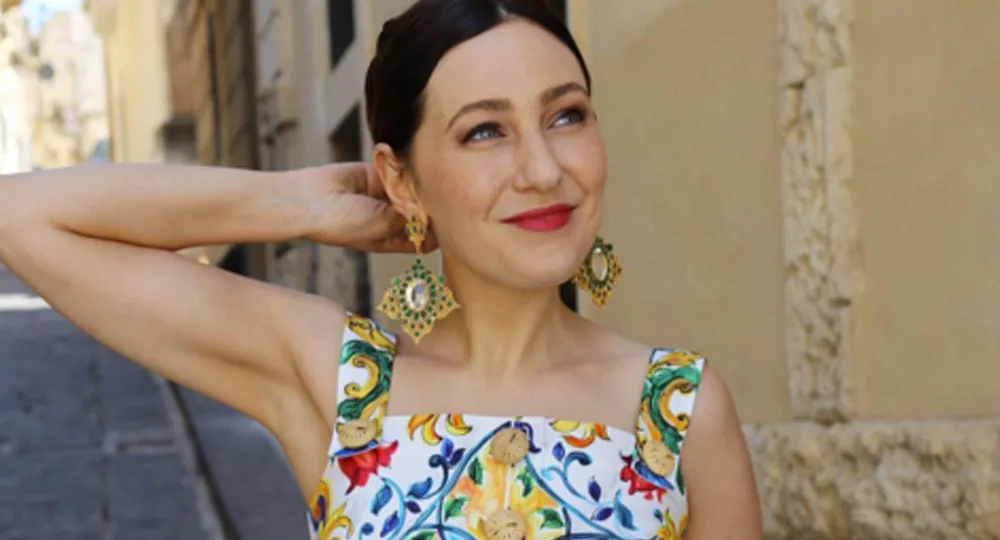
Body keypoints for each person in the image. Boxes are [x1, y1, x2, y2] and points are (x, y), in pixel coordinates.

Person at [0, 0, 761, 538]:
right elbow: (21, 215)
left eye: (566, 115)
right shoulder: (341, 383)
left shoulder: (681, 409)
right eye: (485, 131)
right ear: (401, 179)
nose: (542, 168)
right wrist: (296, 204)